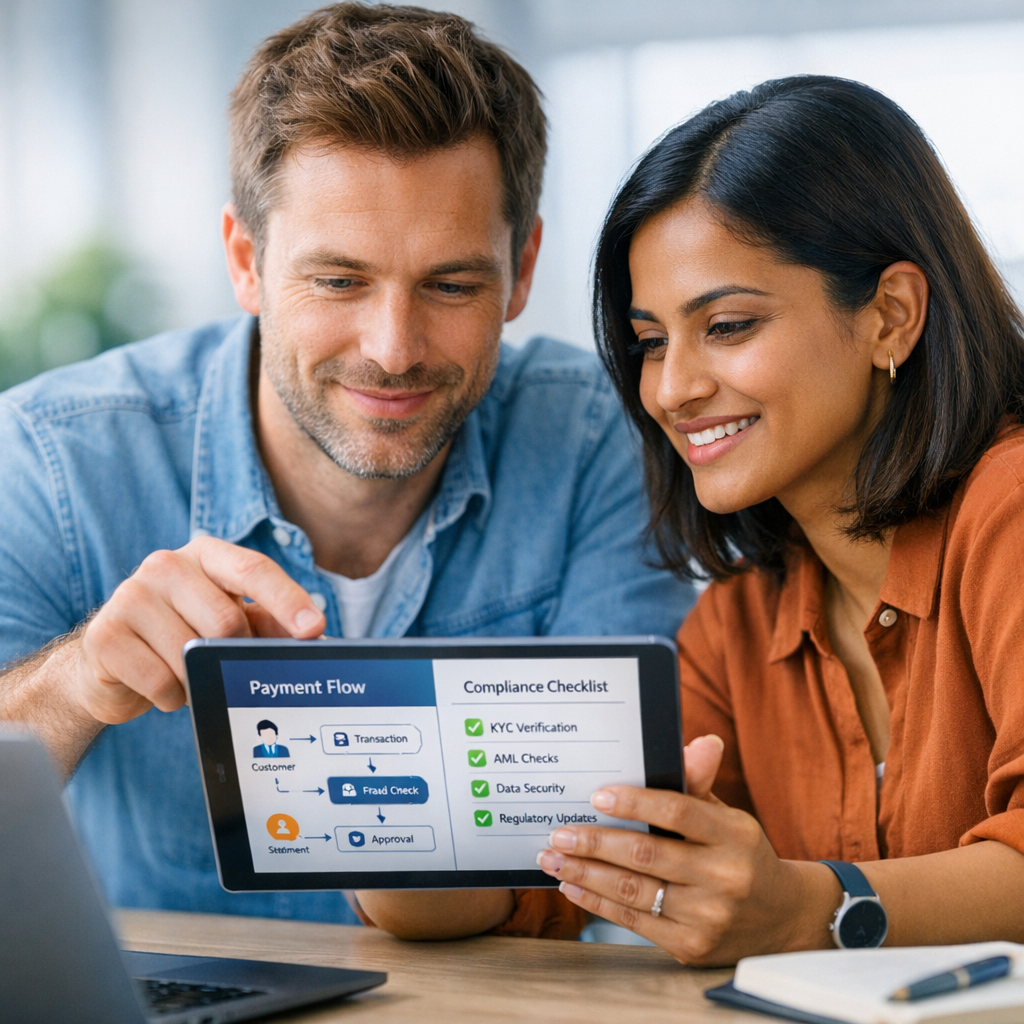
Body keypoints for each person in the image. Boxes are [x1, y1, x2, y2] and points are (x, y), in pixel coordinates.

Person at [0, 3, 691, 935]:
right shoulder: (51, 458)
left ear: (522, 268)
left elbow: (602, 849)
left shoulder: (598, 442)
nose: (393, 349)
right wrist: (79, 680)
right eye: (338, 281)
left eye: (452, 284)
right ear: (246, 261)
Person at [528, 75, 1024, 962]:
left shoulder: (1010, 510)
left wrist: (810, 909)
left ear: (891, 316)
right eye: (651, 342)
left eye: (726, 325)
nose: (672, 389)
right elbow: (552, 887)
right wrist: (401, 844)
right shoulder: (739, 622)